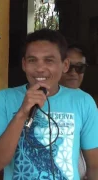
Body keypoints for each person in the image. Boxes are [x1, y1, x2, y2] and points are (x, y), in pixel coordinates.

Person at [0, 28, 98, 180]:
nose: (39, 68)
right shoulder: (4, 99)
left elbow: (94, 166)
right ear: (24, 64)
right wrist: (22, 113)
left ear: (65, 65)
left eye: (48, 60)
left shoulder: (83, 101)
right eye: (32, 60)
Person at [59, 44, 89, 179]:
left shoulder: (87, 103)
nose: (73, 73)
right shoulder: (40, 102)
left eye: (79, 68)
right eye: (68, 67)